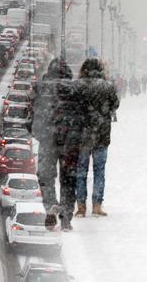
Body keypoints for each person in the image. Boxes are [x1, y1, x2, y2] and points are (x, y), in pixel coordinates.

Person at [33, 58, 84, 231]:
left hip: (48, 140)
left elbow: (30, 116)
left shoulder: (40, 88)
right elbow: (84, 116)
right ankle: (66, 218)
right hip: (70, 142)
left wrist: (40, 134)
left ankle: (50, 206)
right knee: (69, 179)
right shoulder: (76, 90)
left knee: (46, 178)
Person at [75, 58, 120, 218]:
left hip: (82, 136)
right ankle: (97, 205)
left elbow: (72, 107)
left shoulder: (78, 86)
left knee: (81, 171)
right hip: (101, 135)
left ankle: (80, 206)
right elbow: (115, 105)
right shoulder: (107, 87)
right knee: (99, 171)